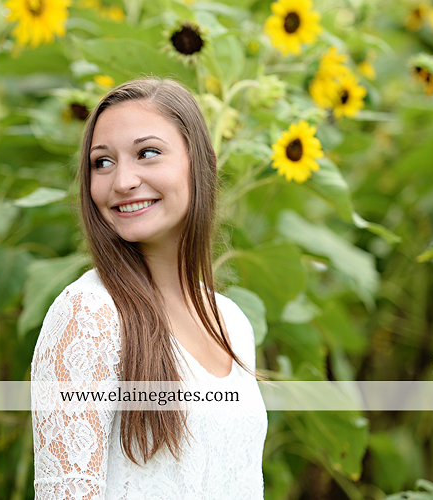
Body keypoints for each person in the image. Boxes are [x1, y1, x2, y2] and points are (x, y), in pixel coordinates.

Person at [31, 77, 267, 499]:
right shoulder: (90, 315)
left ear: (203, 164)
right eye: (102, 162)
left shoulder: (232, 322)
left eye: (148, 153)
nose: (122, 181)